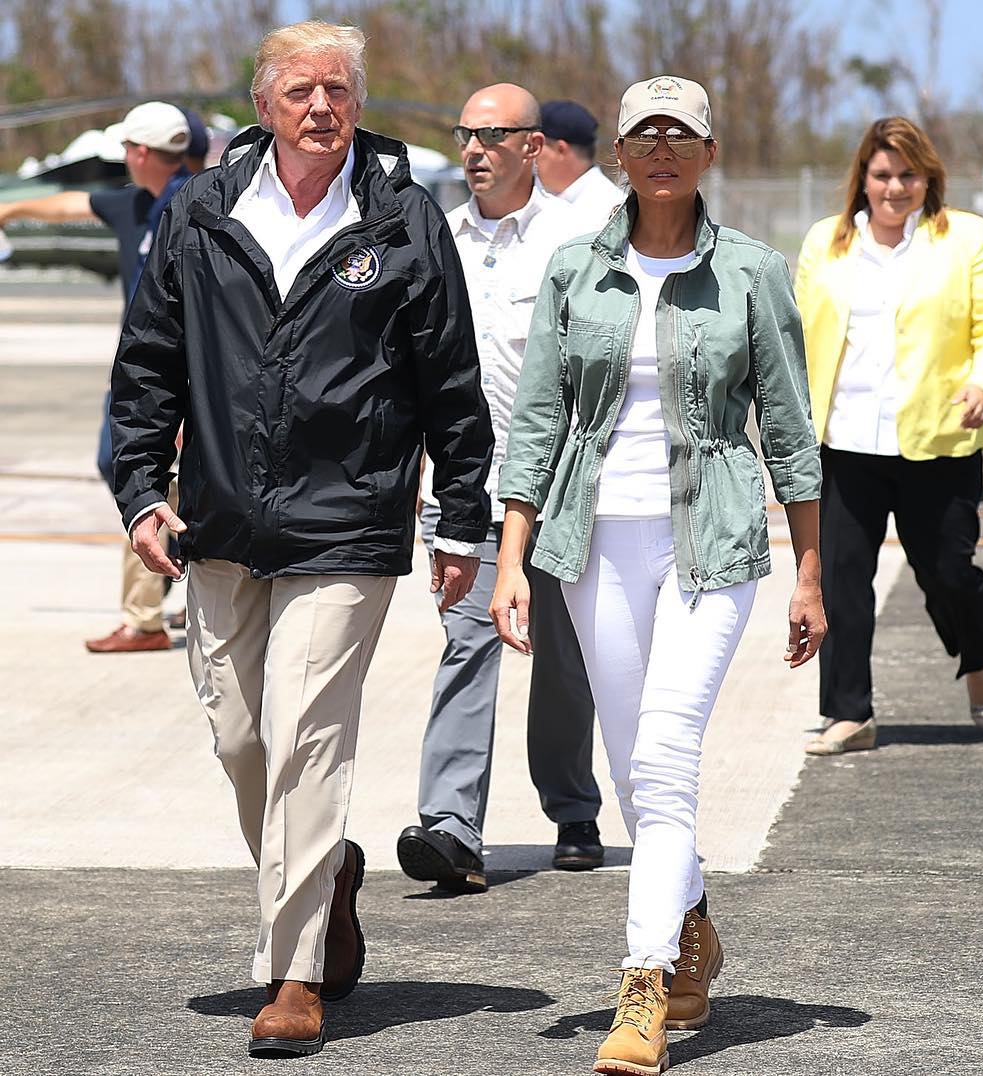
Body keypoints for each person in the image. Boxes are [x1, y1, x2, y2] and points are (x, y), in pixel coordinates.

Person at [109, 21, 492, 1058]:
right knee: (242, 740)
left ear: (358, 103)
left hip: (348, 519)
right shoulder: (200, 210)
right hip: (219, 522)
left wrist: (460, 515)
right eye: (301, 91)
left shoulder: (403, 218)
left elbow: (450, 379)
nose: (322, 107)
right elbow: (149, 362)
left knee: (306, 735)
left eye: (339, 90)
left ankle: (294, 972)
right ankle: (328, 874)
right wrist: (141, 491)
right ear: (263, 104)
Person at [490, 75, 824, 1075]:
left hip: (710, 541)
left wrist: (810, 573)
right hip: (593, 541)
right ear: (621, 156)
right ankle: (692, 924)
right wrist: (511, 558)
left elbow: (791, 430)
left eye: (682, 134)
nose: (664, 148)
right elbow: (538, 421)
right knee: (635, 764)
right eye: (646, 135)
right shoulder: (575, 269)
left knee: (667, 750)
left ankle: (642, 985)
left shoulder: (754, 272)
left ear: (709, 153)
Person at [398, 83, 605, 894]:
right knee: (466, 643)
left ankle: (573, 810)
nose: (474, 151)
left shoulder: (576, 241)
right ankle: (451, 828)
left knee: (563, 659)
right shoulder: (434, 240)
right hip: (465, 488)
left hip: (556, 486)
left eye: (492, 136)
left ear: (534, 146)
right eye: (466, 136)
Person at [794, 116, 983, 755]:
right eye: (882, 174)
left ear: (928, 178)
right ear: (862, 179)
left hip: (938, 438)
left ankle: (978, 655)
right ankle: (849, 713)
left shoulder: (967, 238)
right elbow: (794, 332)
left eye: (908, 175)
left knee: (947, 572)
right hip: (845, 442)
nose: (894, 187)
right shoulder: (826, 243)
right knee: (841, 579)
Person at [0, 102, 204, 653]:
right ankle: (169, 582)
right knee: (118, 464)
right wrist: (9, 210)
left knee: (147, 480)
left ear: (141, 152)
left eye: (127, 148)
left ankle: (148, 615)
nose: (123, 157)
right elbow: (70, 203)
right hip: (138, 373)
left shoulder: (194, 204)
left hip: (178, 377)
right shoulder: (132, 203)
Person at [537, 99, 624, 220]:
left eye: (536, 146)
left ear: (560, 150)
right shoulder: (544, 199)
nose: (530, 154)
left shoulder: (609, 210)